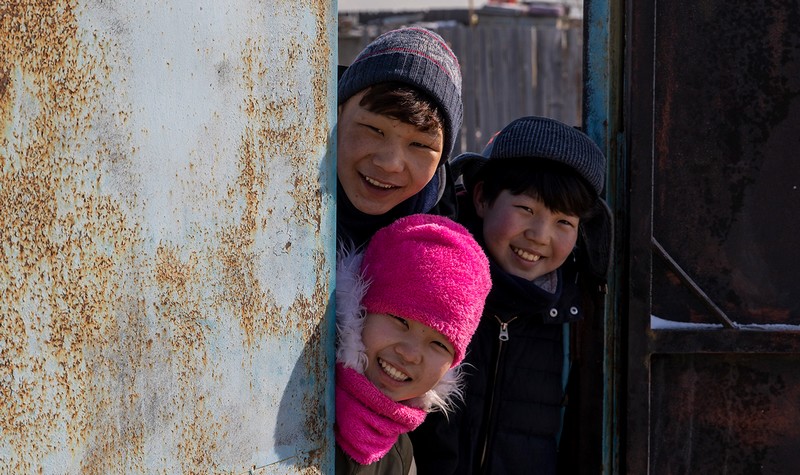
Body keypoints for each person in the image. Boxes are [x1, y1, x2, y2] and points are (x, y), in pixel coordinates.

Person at [409, 116, 613, 474]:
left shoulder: (574, 323)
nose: (539, 235)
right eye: (526, 209)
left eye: (563, 221)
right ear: (482, 198)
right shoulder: (433, 293)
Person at [335, 214, 492, 474]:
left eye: (439, 344)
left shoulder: (401, 457)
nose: (409, 354)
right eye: (399, 320)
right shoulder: (300, 392)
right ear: (358, 308)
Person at [337, 27, 463, 248]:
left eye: (420, 145)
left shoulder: (444, 248)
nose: (390, 164)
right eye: (374, 130)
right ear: (338, 114)